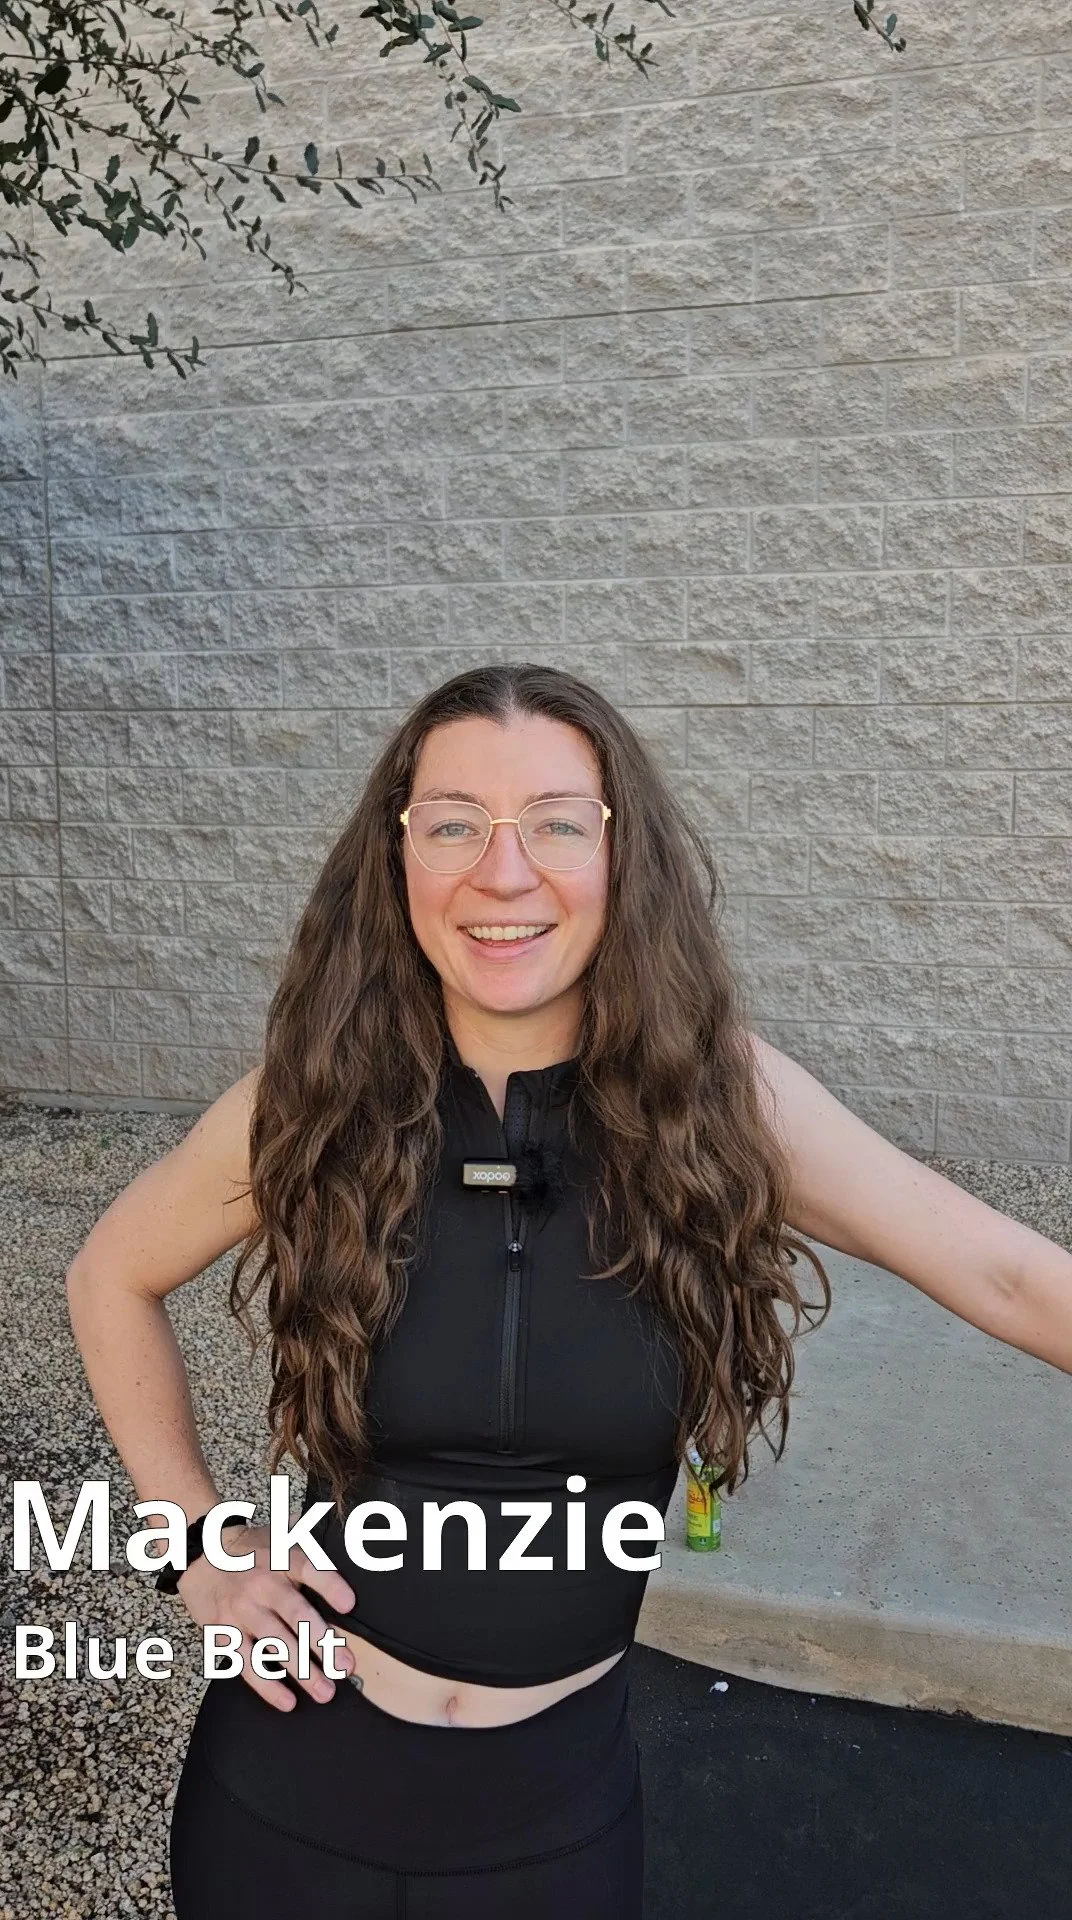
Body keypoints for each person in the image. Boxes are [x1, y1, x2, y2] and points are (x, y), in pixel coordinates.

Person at [65, 663, 1072, 1919]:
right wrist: (193, 1542)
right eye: (454, 826)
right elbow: (110, 1273)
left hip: (549, 1829)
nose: (504, 873)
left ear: (619, 854)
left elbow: (1005, 1272)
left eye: (555, 823)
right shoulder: (315, 1100)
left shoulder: (723, 1106)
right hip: (283, 1798)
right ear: (396, 857)